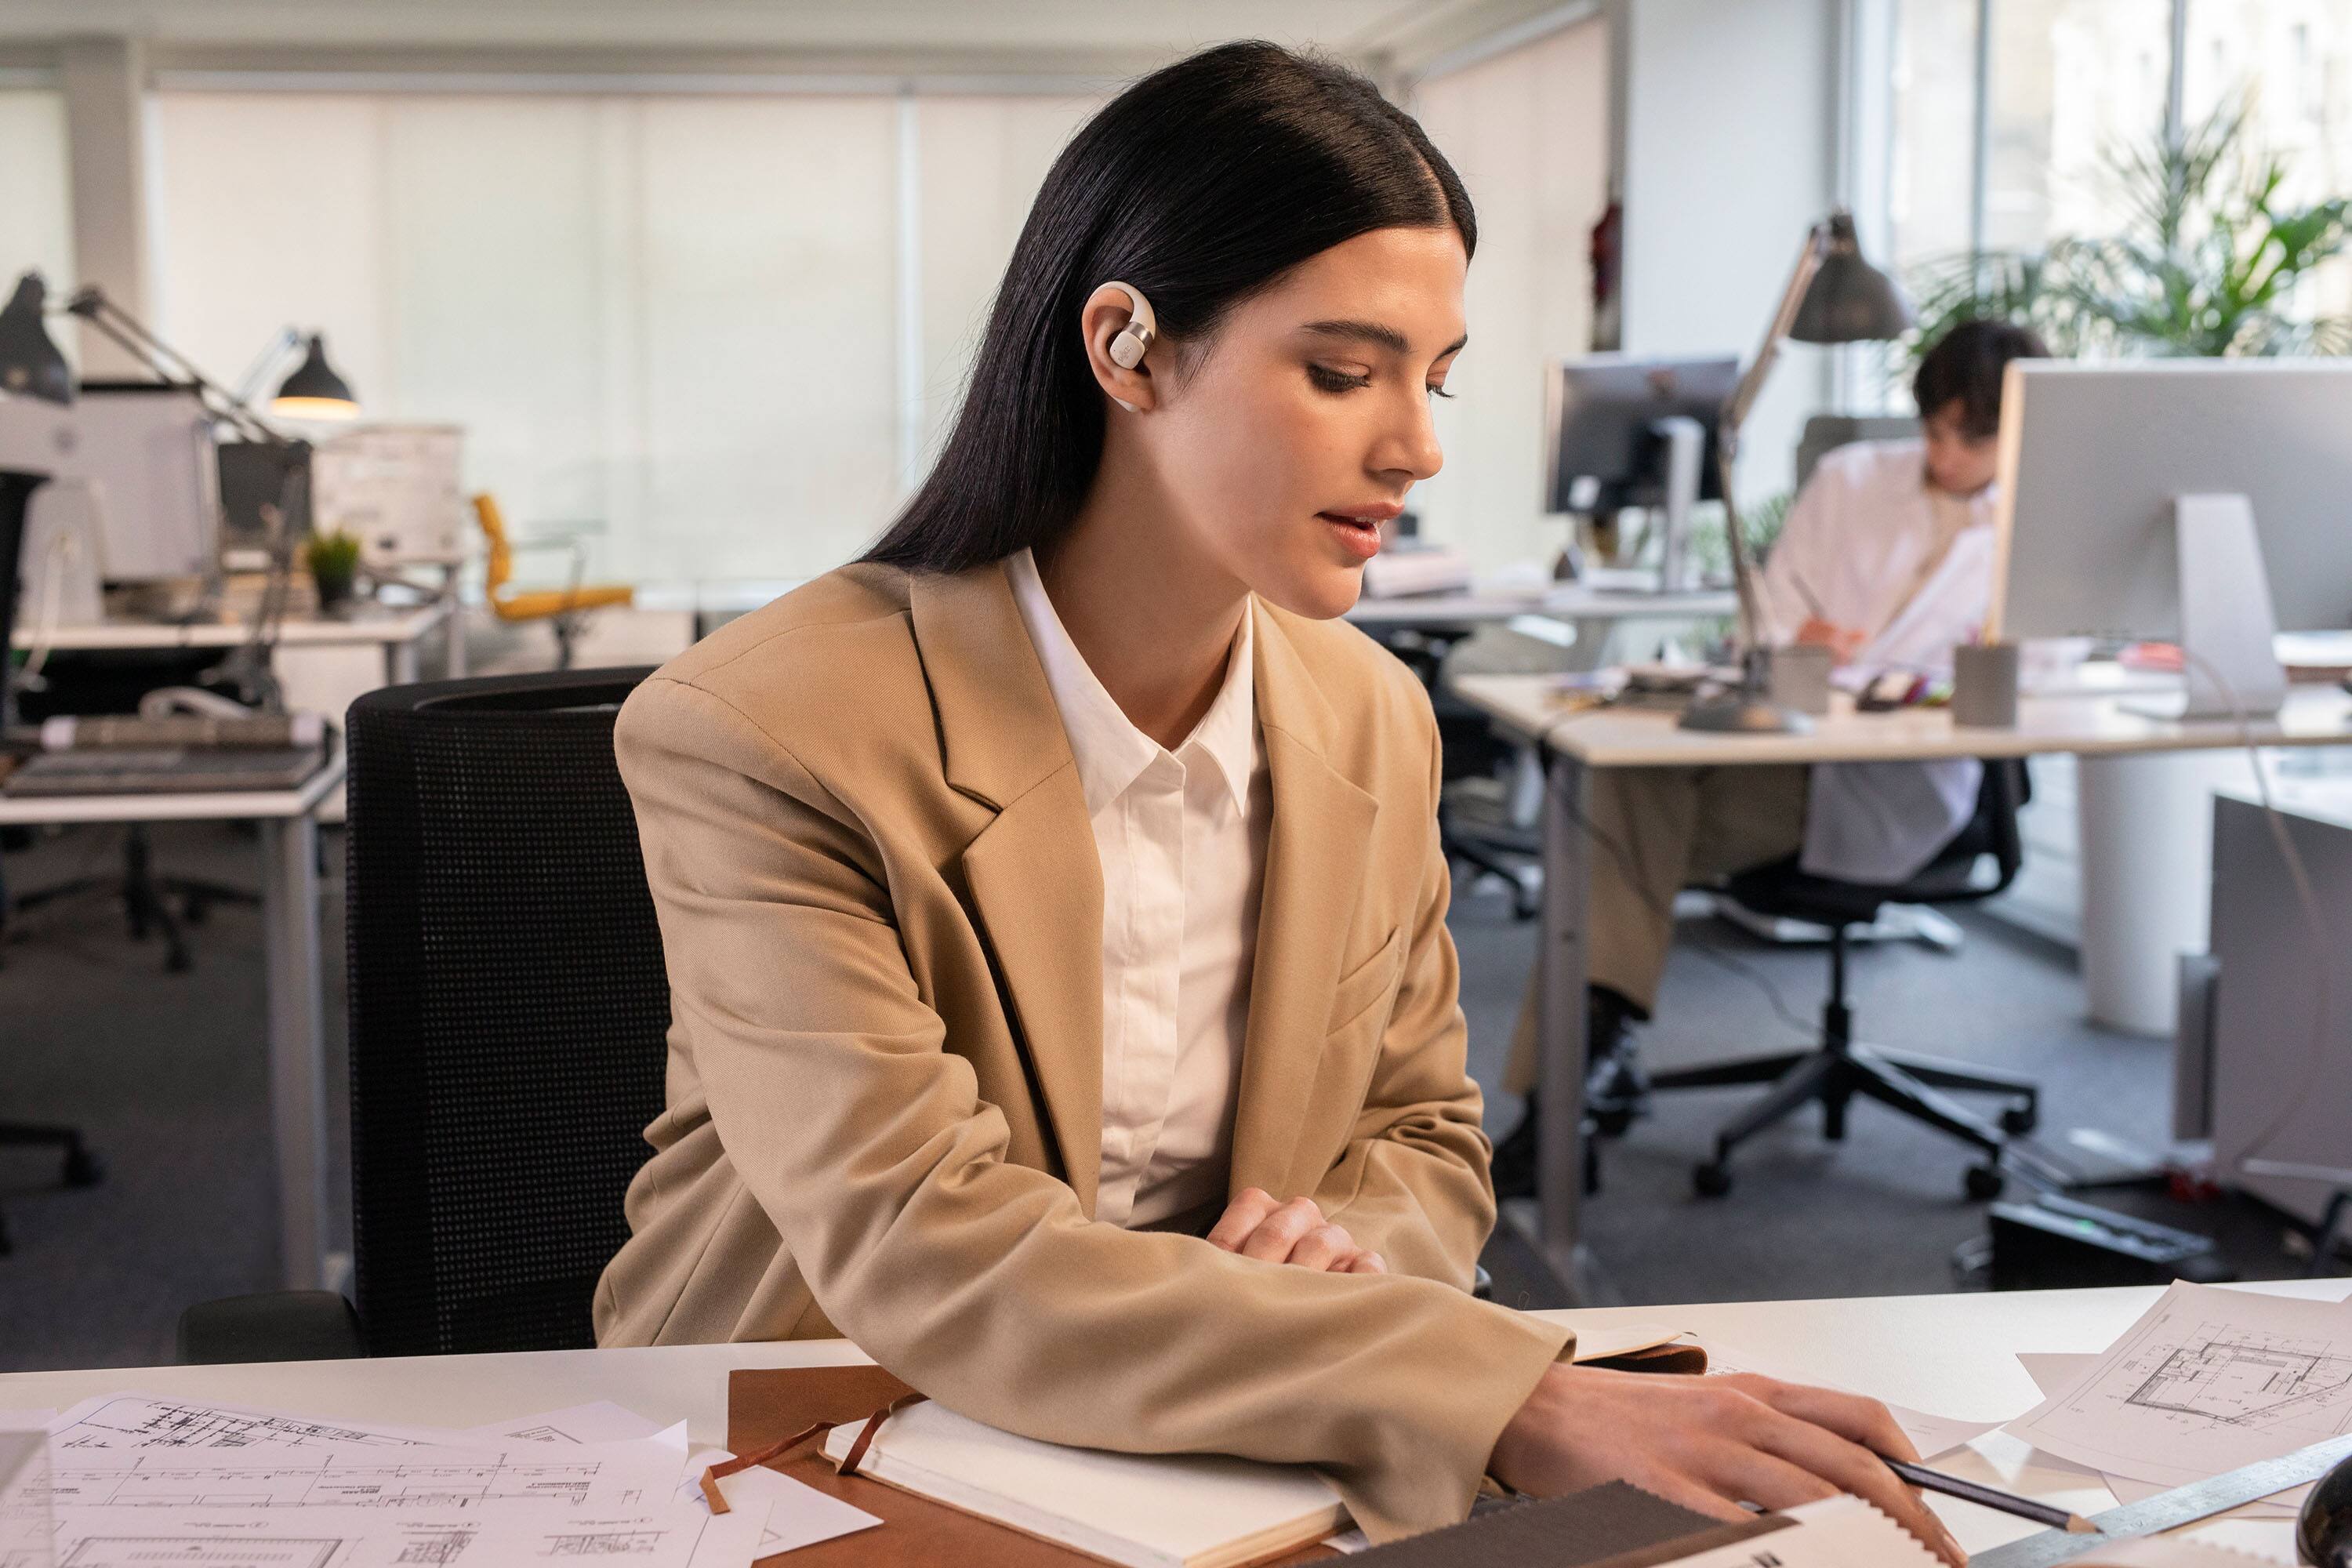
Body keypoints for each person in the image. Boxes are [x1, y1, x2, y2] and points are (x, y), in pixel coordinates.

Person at [594, 41, 1962, 1563]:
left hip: (1226, 1439)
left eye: (1433, 379)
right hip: (821, 1430)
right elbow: (928, 1244)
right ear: (1126, 346)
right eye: (1339, 370)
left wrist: (1348, 1244)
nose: (1418, 445)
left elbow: (1430, 1132)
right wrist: (1496, 1391)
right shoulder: (768, 727)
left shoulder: (1365, 712)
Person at [1491, 318, 2051, 1188]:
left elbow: (2050, 668)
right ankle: (1583, 1071)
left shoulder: (2034, 527)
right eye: (1933, 429)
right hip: (1785, 742)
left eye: (1969, 436)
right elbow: (1772, 611)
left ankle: (1564, 1098)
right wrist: (1804, 640)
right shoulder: (1852, 478)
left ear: (2017, 430)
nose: (1944, 453)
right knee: (1621, 795)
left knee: (1619, 832)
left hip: (1891, 785)